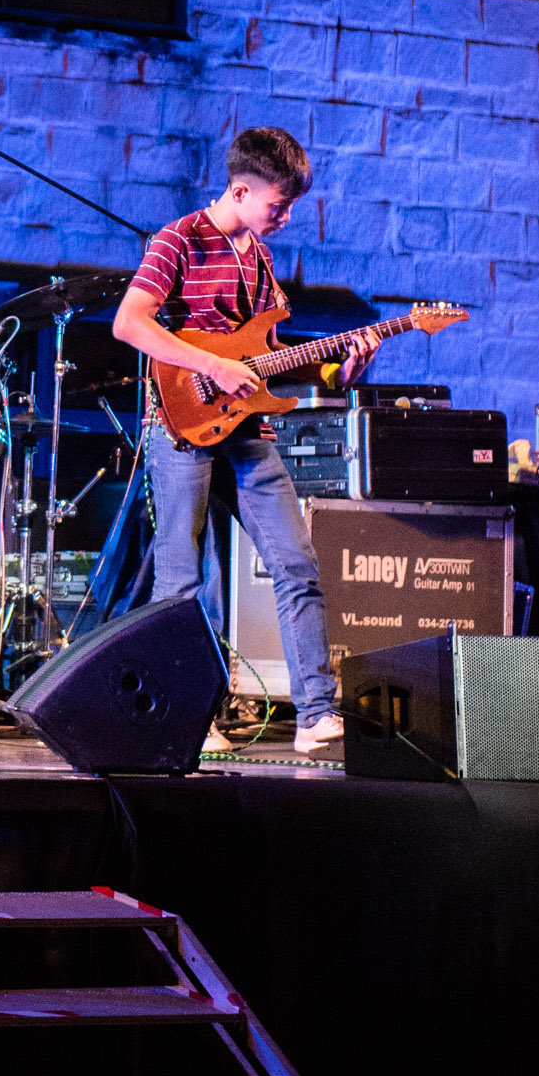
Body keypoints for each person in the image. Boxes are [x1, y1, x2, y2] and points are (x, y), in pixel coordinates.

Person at [110, 127, 380, 760]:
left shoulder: (257, 257)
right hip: (181, 427)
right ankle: (187, 719)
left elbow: (269, 356)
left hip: (247, 431)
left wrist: (338, 371)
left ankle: (316, 714)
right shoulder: (178, 240)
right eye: (277, 206)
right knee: (183, 581)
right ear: (239, 190)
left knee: (297, 562)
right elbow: (129, 323)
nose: (284, 218)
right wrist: (214, 365)